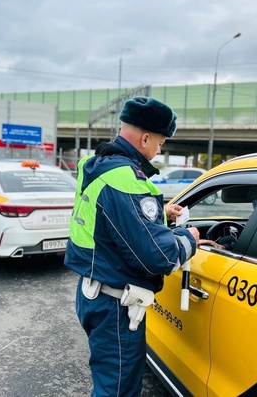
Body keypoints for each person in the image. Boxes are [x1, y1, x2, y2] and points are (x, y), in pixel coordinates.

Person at [64, 96, 200, 396]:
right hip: (116, 305)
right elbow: (159, 256)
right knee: (117, 390)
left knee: (108, 381)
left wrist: (157, 214)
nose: (160, 149)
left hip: (92, 291)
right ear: (146, 137)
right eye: (161, 142)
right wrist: (189, 238)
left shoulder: (96, 164)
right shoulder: (125, 178)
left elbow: (106, 217)